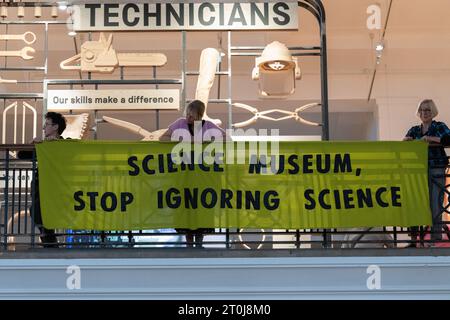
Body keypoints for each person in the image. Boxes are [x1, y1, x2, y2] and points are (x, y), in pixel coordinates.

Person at [160, 100, 225, 248]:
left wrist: (207, 142)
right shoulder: (179, 123)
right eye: (188, 114)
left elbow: (227, 139)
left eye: (192, 115)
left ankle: (199, 242)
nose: (188, 118)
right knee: (186, 206)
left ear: (200, 115)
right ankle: (189, 242)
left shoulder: (208, 126)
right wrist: (182, 143)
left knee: (202, 206)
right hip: (184, 176)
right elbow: (162, 138)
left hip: (203, 177)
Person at [403, 99, 450, 247]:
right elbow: (404, 144)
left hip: (436, 168)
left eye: (428, 110)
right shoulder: (414, 130)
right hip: (418, 171)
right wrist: (406, 141)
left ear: (433, 112)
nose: (425, 113)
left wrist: (429, 139)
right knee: (416, 202)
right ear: (419, 113)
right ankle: (415, 239)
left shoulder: (439, 126)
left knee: (435, 202)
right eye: (422, 110)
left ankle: (434, 239)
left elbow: (448, 140)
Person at [18, 112, 67, 248]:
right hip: (40, 187)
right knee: (36, 211)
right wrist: (32, 145)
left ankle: (49, 241)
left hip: (56, 188)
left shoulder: (65, 144)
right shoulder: (43, 146)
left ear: (56, 127)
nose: (44, 128)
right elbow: (21, 155)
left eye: (47, 125)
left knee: (38, 211)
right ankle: (50, 241)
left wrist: (54, 144)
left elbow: (70, 153)